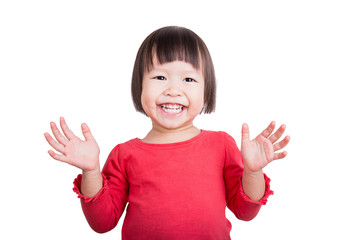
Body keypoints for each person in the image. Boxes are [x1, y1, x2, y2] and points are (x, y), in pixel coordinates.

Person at [44, 26, 290, 239]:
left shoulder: (221, 145)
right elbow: (102, 223)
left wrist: (253, 171)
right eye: (160, 77)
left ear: (207, 92)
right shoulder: (124, 155)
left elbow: (245, 212)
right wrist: (90, 171)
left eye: (189, 80)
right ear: (139, 86)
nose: (173, 90)